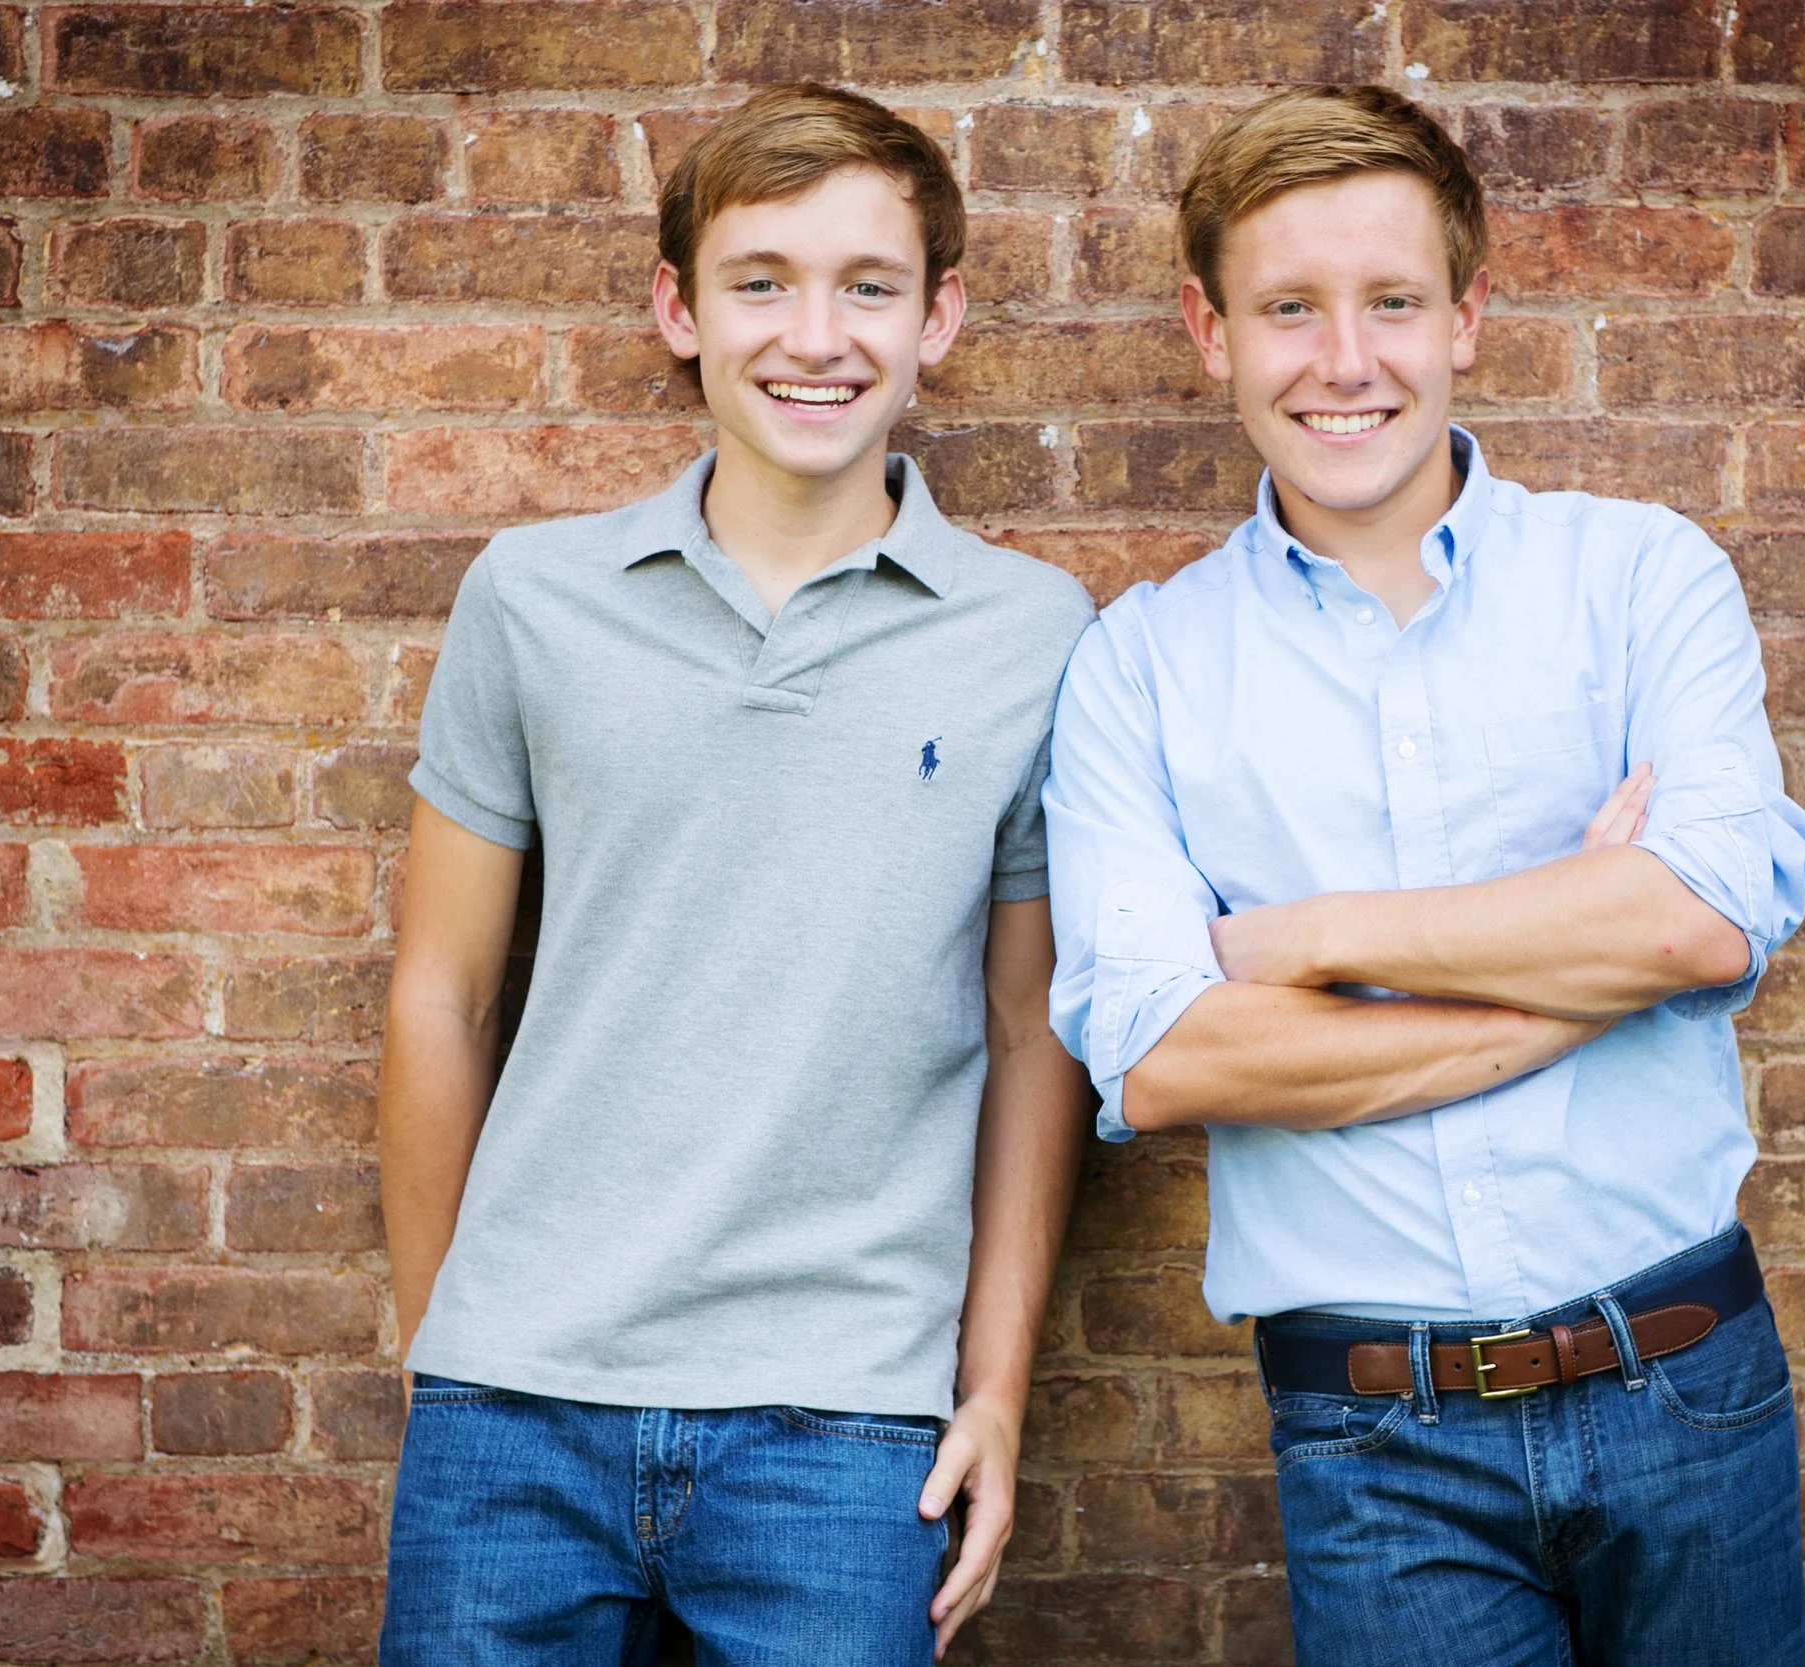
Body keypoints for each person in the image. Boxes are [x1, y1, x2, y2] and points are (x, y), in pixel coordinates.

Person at [1044, 85, 1805, 1666]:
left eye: (1392, 302)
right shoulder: (1139, 666)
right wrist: (1564, 982)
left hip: (1681, 1374)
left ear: (1467, 316)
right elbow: (1168, 1047)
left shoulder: (1640, 578)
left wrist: (1308, 940)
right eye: (1289, 310)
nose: (1347, 360)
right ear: (1212, 335)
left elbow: (1696, 912)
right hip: (1375, 1442)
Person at [378, 83, 1093, 1665]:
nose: (814, 335)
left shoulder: (1034, 635)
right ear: (679, 311)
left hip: (844, 1430)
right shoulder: (534, 597)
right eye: (761, 280)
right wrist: (449, 1352)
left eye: (869, 286)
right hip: (518, 1414)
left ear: (940, 318)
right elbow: (443, 988)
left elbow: (1034, 1029)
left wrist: (992, 1389)